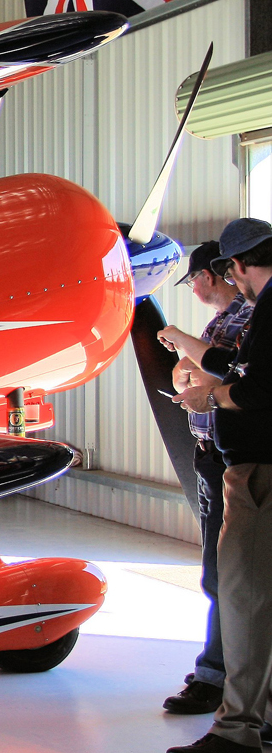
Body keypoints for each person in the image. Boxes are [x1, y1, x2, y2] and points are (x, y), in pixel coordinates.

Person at [168, 218, 272, 753]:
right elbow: (242, 366)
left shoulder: (266, 307)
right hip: (250, 466)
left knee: (242, 598)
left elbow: (257, 387)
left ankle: (236, 731)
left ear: (236, 267)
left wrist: (209, 402)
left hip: (259, 473)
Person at [156, 241, 254, 715]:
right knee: (220, 572)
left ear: (214, 275)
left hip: (234, 459)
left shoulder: (248, 317)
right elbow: (191, 375)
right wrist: (187, 370)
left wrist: (181, 343)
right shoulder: (224, 321)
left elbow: (229, 372)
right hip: (211, 456)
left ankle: (222, 679)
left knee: (229, 575)